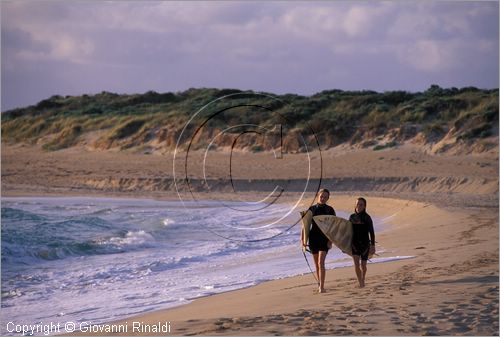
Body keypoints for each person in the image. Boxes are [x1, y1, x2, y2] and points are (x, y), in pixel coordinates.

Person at [301, 188, 335, 293]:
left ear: (328, 198)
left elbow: (334, 226)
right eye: (321, 196)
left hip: (324, 238)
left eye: (325, 197)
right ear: (317, 196)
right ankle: (319, 283)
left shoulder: (330, 210)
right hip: (313, 238)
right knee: (316, 264)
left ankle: (322, 287)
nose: (323, 198)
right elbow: (305, 226)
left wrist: (331, 240)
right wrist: (303, 241)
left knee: (321, 262)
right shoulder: (311, 209)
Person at [349, 197, 375, 288]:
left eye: (361, 204)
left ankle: (363, 278)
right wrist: (345, 245)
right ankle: (360, 282)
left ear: (364, 206)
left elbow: (371, 232)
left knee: (363, 265)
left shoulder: (367, 217)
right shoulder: (352, 217)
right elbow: (348, 232)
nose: (359, 206)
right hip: (354, 244)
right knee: (356, 265)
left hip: (365, 244)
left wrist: (373, 245)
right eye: (357, 204)